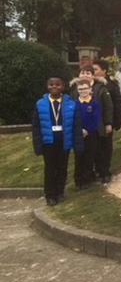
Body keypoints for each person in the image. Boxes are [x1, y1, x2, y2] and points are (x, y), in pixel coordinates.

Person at [32, 76, 83, 206]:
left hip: (64, 141)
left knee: (62, 168)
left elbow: (76, 126)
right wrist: (38, 146)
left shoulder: (71, 104)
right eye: (51, 84)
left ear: (63, 87)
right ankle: (50, 195)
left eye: (57, 84)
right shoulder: (40, 104)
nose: (54, 87)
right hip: (48, 142)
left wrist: (78, 145)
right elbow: (36, 127)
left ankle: (60, 192)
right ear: (47, 86)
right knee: (50, 169)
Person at [69, 65, 114, 184]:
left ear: (93, 75)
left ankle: (104, 173)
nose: (85, 75)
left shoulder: (101, 88)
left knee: (100, 151)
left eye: (88, 73)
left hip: (98, 126)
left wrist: (108, 123)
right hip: (81, 127)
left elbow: (108, 107)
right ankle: (87, 175)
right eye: (82, 73)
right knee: (83, 154)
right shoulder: (74, 90)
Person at [93, 60, 121, 183]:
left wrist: (115, 122)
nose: (93, 72)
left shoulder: (110, 85)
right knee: (96, 147)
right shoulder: (91, 84)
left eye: (96, 69)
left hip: (107, 121)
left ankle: (105, 171)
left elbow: (117, 104)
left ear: (104, 71)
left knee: (106, 147)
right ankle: (98, 169)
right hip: (94, 122)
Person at [73, 79, 101, 190]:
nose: (83, 91)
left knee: (89, 157)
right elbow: (73, 119)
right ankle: (78, 180)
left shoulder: (94, 103)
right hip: (78, 135)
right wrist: (80, 130)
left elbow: (95, 119)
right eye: (80, 89)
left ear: (90, 89)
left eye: (85, 88)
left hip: (91, 134)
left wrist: (87, 130)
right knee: (79, 157)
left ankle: (87, 179)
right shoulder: (74, 104)